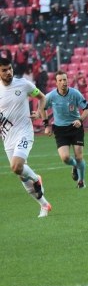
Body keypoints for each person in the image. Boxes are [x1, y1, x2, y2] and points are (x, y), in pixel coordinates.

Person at [0, 57, 52, 217]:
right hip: (7, 136)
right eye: (4, 70)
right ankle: (44, 205)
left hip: (24, 132)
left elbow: (42, 97)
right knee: (20, 174)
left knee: (16, 166)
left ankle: (36, 178)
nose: (8, 72)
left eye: (9, 69)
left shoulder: (23, 84)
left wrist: (40, 113)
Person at [44, 71, 88, 188]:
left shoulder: (75, 94)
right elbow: (42, 108)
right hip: (60, 130)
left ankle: (81, 182)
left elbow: (87, 109)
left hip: (75, 127)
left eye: (65, 79)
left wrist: (80, 120)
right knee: (65, 158)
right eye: (60, 80)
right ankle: (74, 165)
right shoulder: (51, 96)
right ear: (56, 83)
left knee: (79, 156)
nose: (63, 82)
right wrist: (46, 125)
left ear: (67, 80)